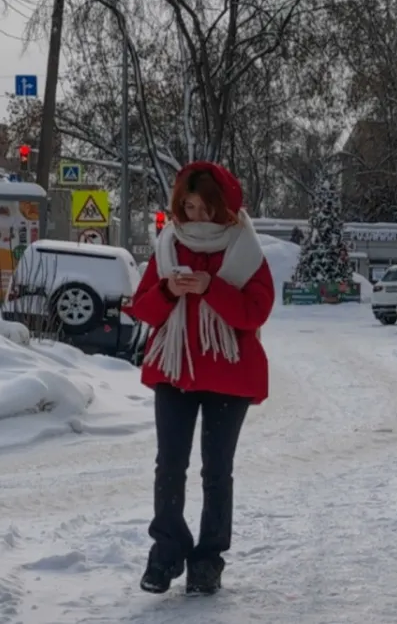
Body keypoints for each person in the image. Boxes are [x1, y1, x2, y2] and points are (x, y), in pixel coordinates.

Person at [126, 161, 275, 596]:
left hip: (229, 376)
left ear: (225, 207)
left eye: (206, 208)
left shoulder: (245, 250)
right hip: (175, 372)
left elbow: (255, 313)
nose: (196, 216)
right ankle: (166, 553)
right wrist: (170, 290)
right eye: (189, 206)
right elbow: (144, 310)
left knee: (217, 470)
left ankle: (208, 560)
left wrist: (211, 286)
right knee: (169, 465)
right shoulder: (168, 244)